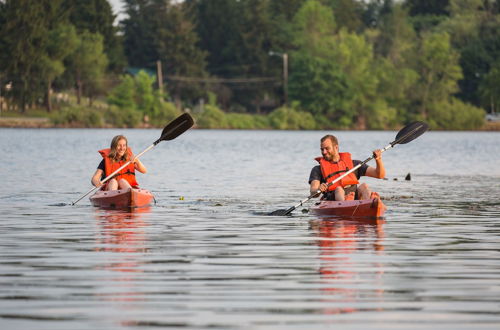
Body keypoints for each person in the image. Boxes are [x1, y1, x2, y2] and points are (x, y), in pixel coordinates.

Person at [309, 134, 385, 201]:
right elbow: (313, 191)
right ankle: (345, 203)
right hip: (334, 198)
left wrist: (378, 159)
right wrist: (318, 189)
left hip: (353, 196)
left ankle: (369, 203)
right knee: (339, 189)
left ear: (336, 147)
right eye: (322, 149)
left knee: (364, 186)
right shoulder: (317, 169)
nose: (324, 152)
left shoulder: (355, 164)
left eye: (327, 148)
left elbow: (379, 175)